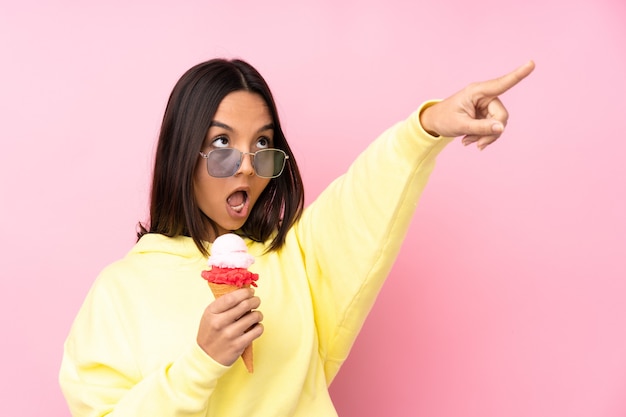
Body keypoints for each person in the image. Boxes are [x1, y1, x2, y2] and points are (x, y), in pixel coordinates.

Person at [59, 58, 535, 416]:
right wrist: (199, 364)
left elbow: (365, 198)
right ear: (183, 152)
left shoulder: (297, 260)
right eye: (222, 143)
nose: (247, 164)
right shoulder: (119, 291)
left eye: (263, 145)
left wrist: (427, 127)